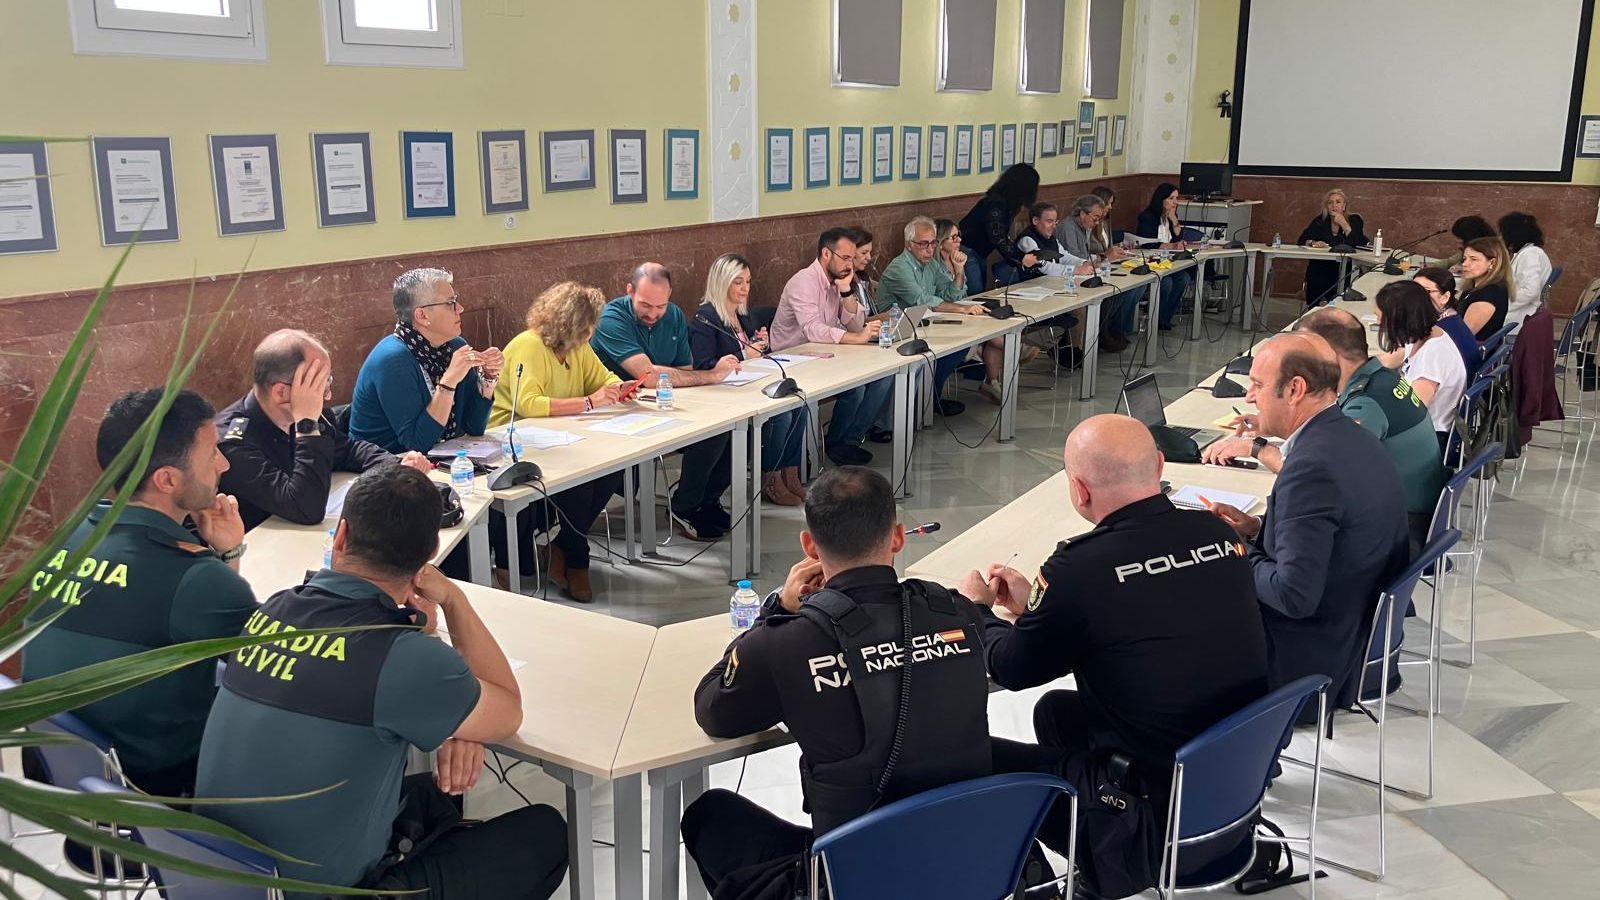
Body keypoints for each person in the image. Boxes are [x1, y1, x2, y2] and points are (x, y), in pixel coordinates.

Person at [195, 464, 567, 898]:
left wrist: (452, 711)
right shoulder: (405, 660)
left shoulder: (274, 610)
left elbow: (350, 666)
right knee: (545, 833)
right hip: (325, 893)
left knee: (435, 798)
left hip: (210, 876)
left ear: (340, 536)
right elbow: (506, 712)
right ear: (430, 554)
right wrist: (453, 600)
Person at [962, 415, 1268, 898]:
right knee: (1056, 712)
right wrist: (1038, 612)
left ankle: (1111, 852)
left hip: (1156, 809)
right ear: (1160, 466)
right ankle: (1104, 850)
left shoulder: (1078, 568)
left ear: (1079, 490)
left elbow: (1010, 668)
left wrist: (978, 612)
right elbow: (1150, 615)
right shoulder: (1217, 531)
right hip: (1228, 787)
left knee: (971, 758)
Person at [679, 467, 996, 897]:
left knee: (710, 815)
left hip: (854, 874)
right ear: (897, 537)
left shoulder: (786, 642)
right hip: (967, 862)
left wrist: (777, 610)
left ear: (809, 546)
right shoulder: (957, 612)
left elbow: (712, 710)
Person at [25, 389, 254, 798]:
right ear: (167, 480)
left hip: (56, 770)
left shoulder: (66, 539)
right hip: (154, 788)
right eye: (212, 454)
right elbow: (272, 668)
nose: (224, 463)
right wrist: (229, 555)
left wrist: (222, 556)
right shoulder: (193, 578)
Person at [1203, 334, 1411, 712]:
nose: (1249, 397)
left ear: (1295, 389)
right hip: (1352, 632)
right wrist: (1256, 529)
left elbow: (1292, 596)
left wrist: (1233, 549)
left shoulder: (1311, 467)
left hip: (1306, 666)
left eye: (1258, 385)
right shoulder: (1353, 436)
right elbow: (1332, 534)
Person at [1206, 308, 1446, 552]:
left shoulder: (1366, 404)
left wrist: (1256, 448)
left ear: (1329, 353)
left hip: (1399, 531)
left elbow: (1315, 473)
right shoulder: (1380, 379)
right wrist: (1275, 421)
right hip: (1399, 516)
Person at [490, 282, 630, 601]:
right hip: (515, 436)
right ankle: (577, 558)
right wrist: (590, 402)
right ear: (569, 323)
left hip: (563, 434)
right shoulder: (529, 346)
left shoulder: (577, 346)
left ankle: (563, 546)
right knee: (581, 479)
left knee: (612, 468)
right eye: (586, 325)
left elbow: (602, 378)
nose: (591, 332)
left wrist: (619, 388)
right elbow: (529, 404)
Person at [216, 329, 433, 530]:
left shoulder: (301, 412)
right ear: (281, 392)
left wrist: (396, 466)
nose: (328, 395)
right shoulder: (233, 443)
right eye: (318, 385)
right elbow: (306, 508)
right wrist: (306, 425)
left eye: (327, 381)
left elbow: (348, 450)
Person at [591, 263, 740, 540]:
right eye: (645, 305)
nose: (653, 314)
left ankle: (706, 500)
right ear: (629, 291)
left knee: (729, 427)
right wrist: (711, 376)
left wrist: (679, 377)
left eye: (660, 306)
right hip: (617, 412)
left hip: (662, 404)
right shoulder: (611, 318)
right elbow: (647, 375)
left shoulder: (674, 315)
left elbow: (684, 369)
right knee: (710, 436)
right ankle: (685, 507)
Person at [689, 253, 811, 507]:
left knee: (798, 404)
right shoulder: (705, 318)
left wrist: (761, 344)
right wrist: (745, 354)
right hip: (724, 394)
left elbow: (753, 354)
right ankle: (770, 477)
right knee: (780, 416)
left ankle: (789, 472)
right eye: (738, 282)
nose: (745, 288)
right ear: (722, 282)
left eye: (748, 281)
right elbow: (703, 365)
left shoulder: (743, 314)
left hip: (751, 384)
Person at [770, 228, 895, 466]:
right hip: (792, 360)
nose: (850, 264)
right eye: (845, 258)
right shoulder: (804, 282)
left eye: (852, 258)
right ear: (826, 254)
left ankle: (849, 440)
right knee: (855, 389)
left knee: (883, 377)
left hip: (826, 355)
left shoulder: (837, 281)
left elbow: (856, 324)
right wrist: (856, 338)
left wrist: (846, 292)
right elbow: (812, 330)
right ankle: (835, 443)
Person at [350, 268, 504, 454]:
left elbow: (474, 428)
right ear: (422, 316)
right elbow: (416, 442)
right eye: (450, 303)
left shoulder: (454, 346)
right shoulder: (392, 359)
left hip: (438, 458)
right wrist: (449, 382)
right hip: (384, 463)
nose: (460, 308)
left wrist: (487, 379)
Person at [877, 215, 992, 408]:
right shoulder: (900, 267)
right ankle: (925, 402)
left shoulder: (930, 264)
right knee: (941, 348)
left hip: (922, 325)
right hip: (893, 331)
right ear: (909, 244)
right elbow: (922, 300)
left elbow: (950, 294)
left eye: (933, 243)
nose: (930, 249)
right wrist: (963, 309)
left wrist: (959, 270)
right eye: (924, 244)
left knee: (960, 345)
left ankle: (931, 398)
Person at [1375, 280, 1468, 451]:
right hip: (1425, 431)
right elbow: (1388, 360)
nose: (1378, 323)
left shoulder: (1432, 356)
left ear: (1400, 320)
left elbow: (1411, 414)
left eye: (1381, 319)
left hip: (1429, 440)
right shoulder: (1427, 334)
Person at [1059, 193, 1135, 351]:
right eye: (1095, 218)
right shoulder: (1068, 227)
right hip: (1066, 277)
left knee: (1115, 292)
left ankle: (1104, 333)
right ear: (1082, 214)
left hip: (1081, 274)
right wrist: (1103, 257)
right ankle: (1094, 339)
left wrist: (1101, 258)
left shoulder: (1084, 227)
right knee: (1103, 297)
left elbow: (1085, 256)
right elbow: (1074, 258)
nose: (1097, 222)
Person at [957, 163, 1042, 293]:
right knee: (975, 293)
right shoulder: (995, 205)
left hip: (979, 252)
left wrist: (1019, 258)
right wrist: (1021, 258)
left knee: (979, 291)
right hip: (967, 251)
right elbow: (999, 238)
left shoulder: (1007, 204)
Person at [1133, 183, 1198, 331]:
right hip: (1151, 263)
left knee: (1184, 278)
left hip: (1168, 263)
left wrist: (1174, 220)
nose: (1175, 202)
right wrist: (1171, 246)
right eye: (1171, 198)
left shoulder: (1169, 217)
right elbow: (1147, 243)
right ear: (1161, 199)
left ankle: (1165, 318)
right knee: (1167, 283)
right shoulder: (1148, 217)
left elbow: (1177, 239)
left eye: (1176, 198)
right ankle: (1156, 319)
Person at [1296, 189, 1368, 306]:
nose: (1334, 205)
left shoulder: (1355, 220)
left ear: (1344, 206)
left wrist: (1344, 224)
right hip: (1321, 268)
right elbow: (1301, 240)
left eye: (1338, 202)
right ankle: (1314, 308)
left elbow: (1359, 242)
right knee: (1317, 275)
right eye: (1330, 203)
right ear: (1327, 206)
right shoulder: (1320, 221)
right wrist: (1313, 243)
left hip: (1346, 269)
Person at [1413, 267, 1483, 380]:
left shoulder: (1437, 332)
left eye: (1426, 291)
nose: (1414, 297)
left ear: (1445, 297)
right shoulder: (1451, 317)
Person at [1498, 211, 1551, 329]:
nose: (1501, 238)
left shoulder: (1530, 254)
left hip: (1518, 317)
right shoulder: (1527, 252)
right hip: (1520, 311)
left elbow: (1530, 291)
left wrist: (1500, 304)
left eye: (1503, 234)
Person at [1457, 236, 1514, 340]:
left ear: (1492, 263)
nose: (1464, 264)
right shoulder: (1474, 287)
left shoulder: (1490, 294)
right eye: (1464, 259)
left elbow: (1460, 336)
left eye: (1473, 259)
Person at [1088, 185, 1118, 255]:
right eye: (1108, 204)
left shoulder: (1105, 221)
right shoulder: (1087, 224)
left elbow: (1109, 248)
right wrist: (1105, 255)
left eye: (1111, 203)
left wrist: (1120, 247)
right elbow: (1084, 255)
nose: (1110, 207)